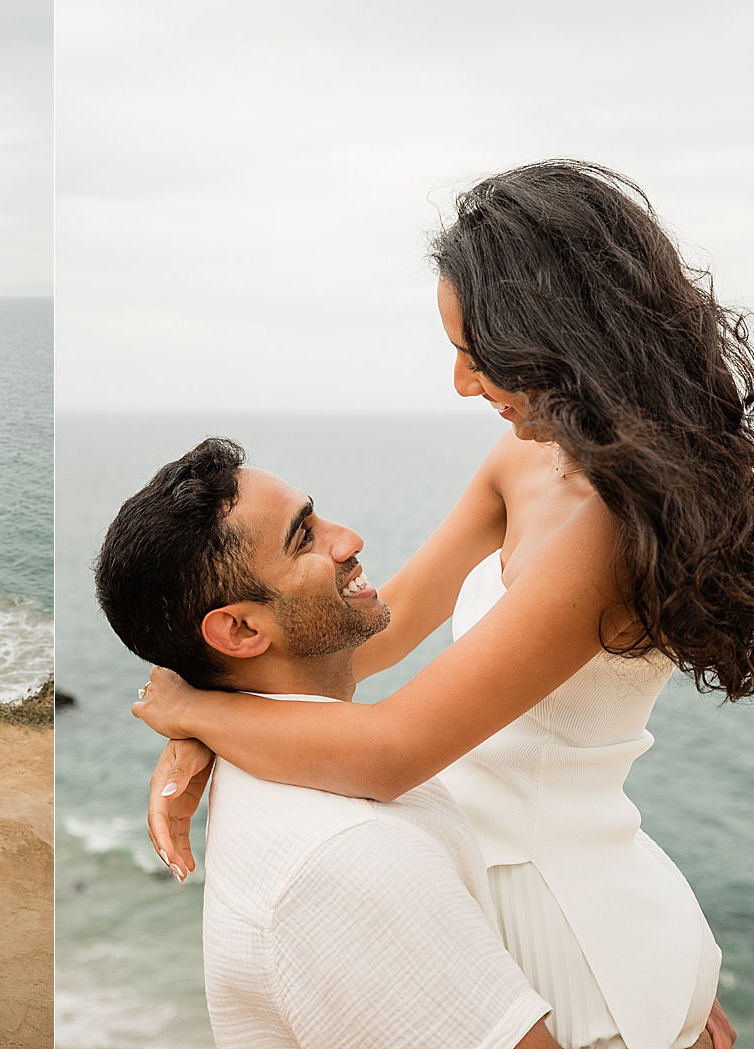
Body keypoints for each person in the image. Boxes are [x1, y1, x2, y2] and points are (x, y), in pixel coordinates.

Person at [133, 161, 746, 1049]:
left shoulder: (613, 525)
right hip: (463, 875)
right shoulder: (522, 467)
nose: (462, 383)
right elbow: (375, 632)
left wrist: (187, 707)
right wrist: (202, 718)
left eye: (477, 353)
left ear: (561, 337)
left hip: (561, 921)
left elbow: (390, 752)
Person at [95, 438, 563, 1048]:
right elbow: (391, 753)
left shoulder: (272, 773)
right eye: (305, 538)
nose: (350, 539)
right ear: (239, 629)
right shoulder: (351, 856)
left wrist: (199, 708)